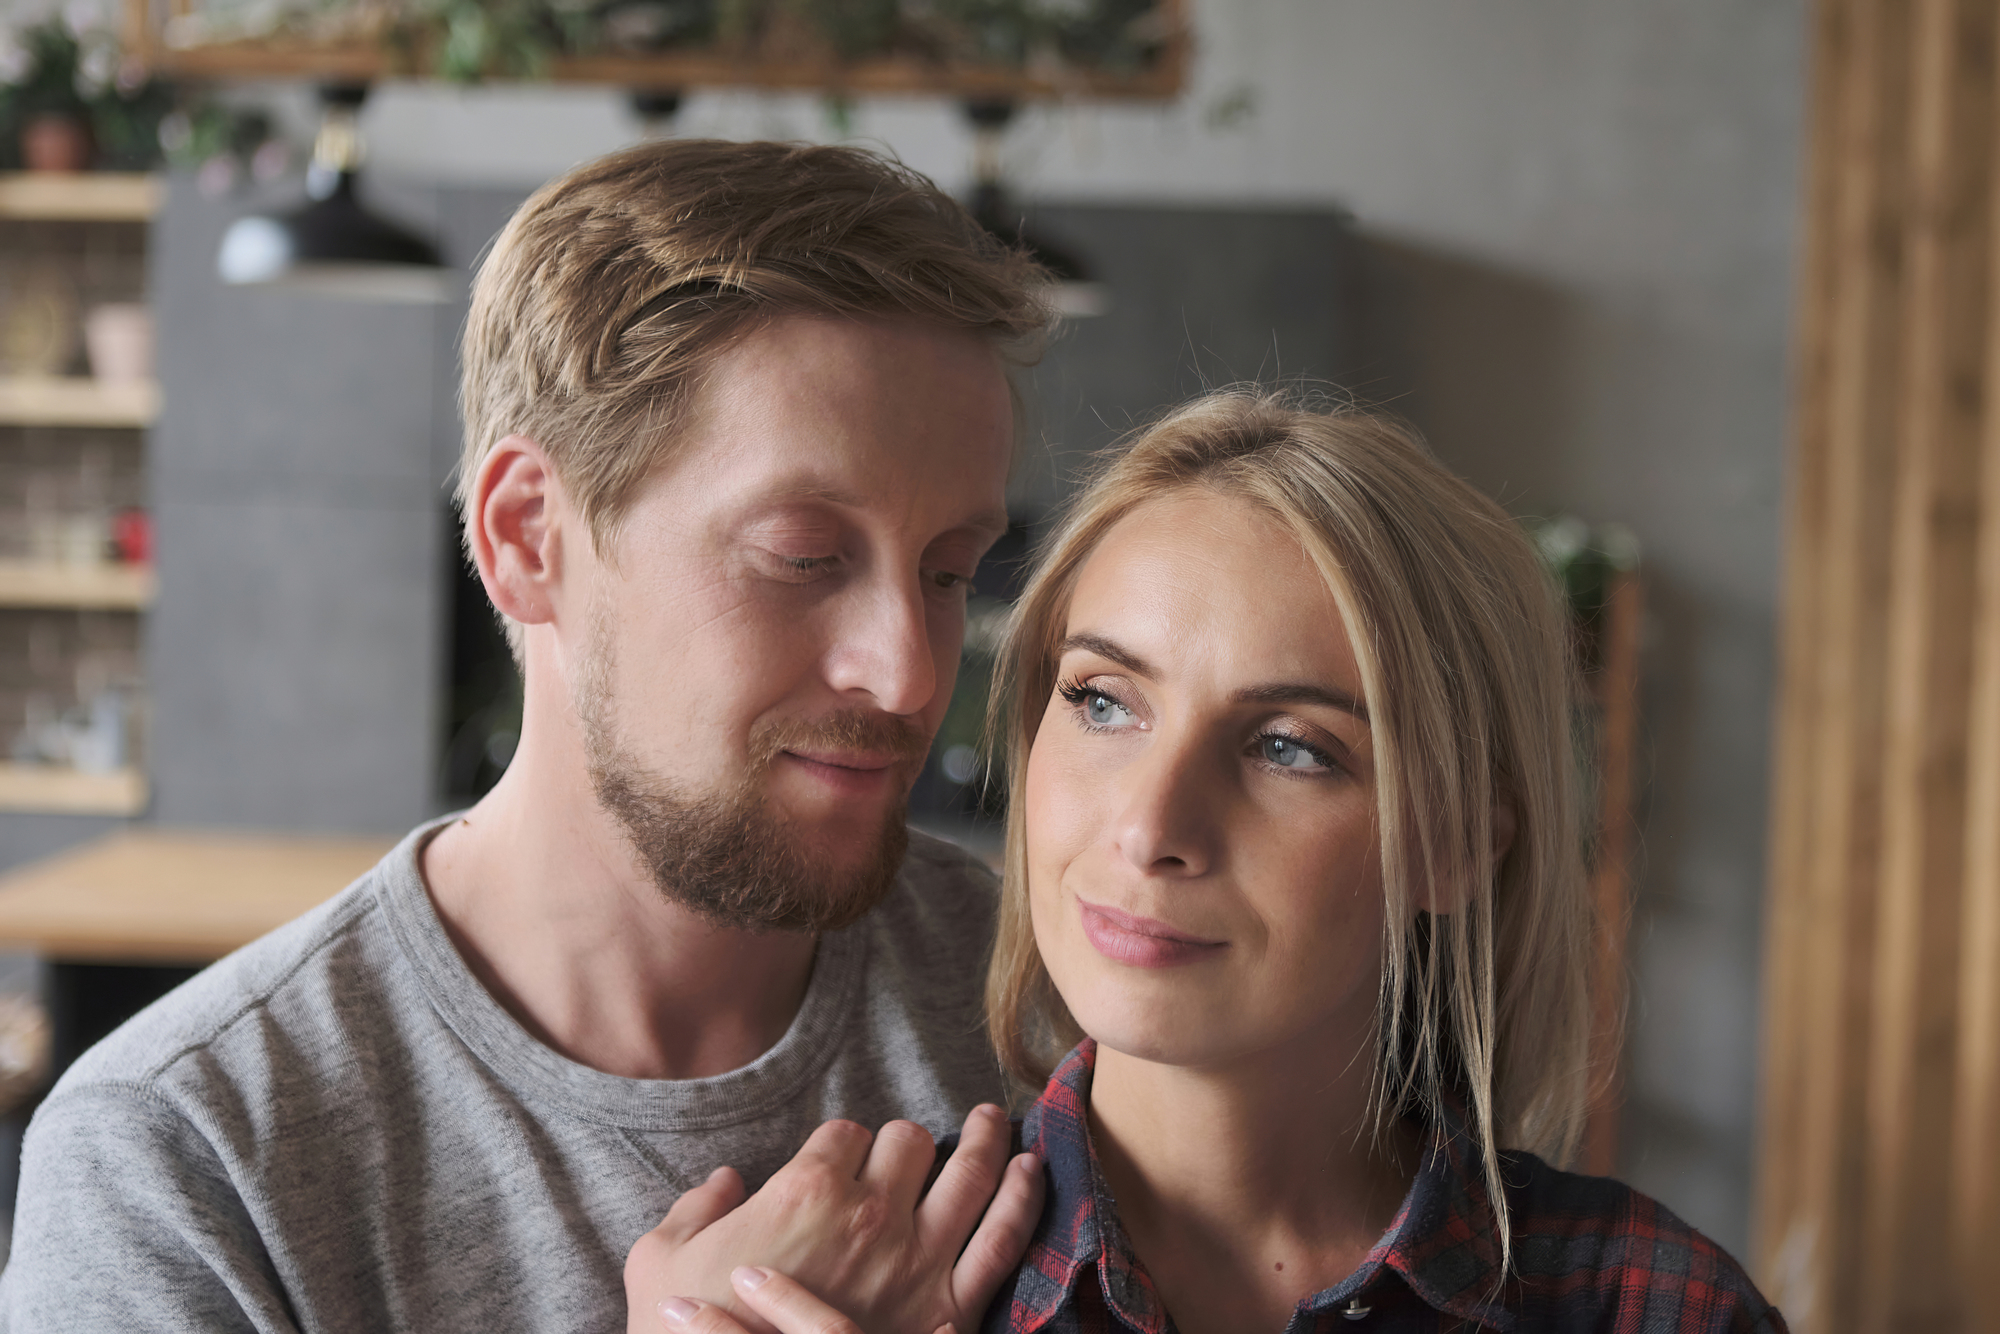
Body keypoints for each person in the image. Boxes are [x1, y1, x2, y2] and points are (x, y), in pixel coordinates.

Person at [0, 140, 1057, 1332]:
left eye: (949, 571)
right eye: (804, 557)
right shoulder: (182, 1154)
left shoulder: (1048, 1001)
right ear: (525, 537)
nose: (908, 670)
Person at [644, 392, 1788, 1333]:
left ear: (1451, 839)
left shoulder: (1649, 1305)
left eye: (1290, 745)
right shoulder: (799, 1287)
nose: (1149, 826)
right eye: (1101, 700)